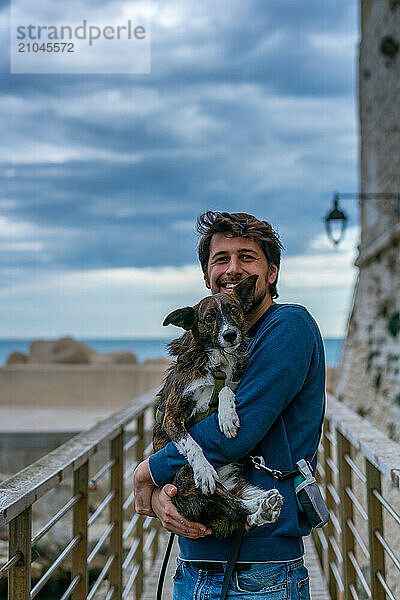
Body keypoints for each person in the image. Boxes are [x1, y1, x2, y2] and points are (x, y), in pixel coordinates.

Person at [134, 211, 325, 599]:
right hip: (193, 567)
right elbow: (180, 418)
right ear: (207, 276)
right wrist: (162, 495)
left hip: (261, 574)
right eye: (221, 259)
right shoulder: (222, 346)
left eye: (247, 257)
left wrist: (148, 472)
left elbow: (237, 433)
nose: (233, 269)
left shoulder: (288, 326)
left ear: (270, 273)